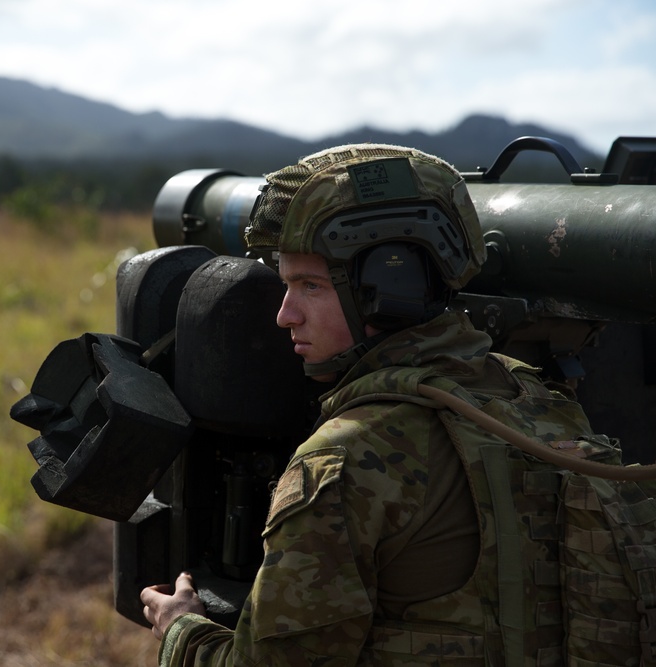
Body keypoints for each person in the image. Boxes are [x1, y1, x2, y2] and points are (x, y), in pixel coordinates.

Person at [139, 143, 599, 666]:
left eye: (309, 286)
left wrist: (180, 631)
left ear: (389, 287)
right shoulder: (535, 398)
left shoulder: (347, 458)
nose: (285, 315)